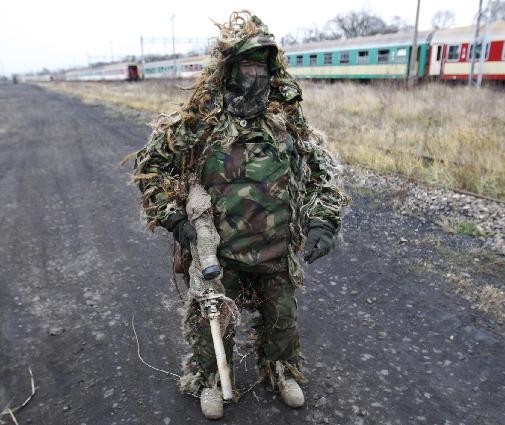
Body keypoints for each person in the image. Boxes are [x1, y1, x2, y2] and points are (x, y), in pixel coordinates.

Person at [133, 11, 349, 420]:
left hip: (276, 250)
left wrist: (323, 221)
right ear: (229, 70)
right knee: (212, 320)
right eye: (246, 65)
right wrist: (177, 220)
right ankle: (210, 378)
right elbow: (152, 168)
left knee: (283, 318)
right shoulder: (199, 124)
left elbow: (323, 171)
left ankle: (281, 370)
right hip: (220, 253)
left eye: (261, 66)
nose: (255, 74)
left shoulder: (285, 123)